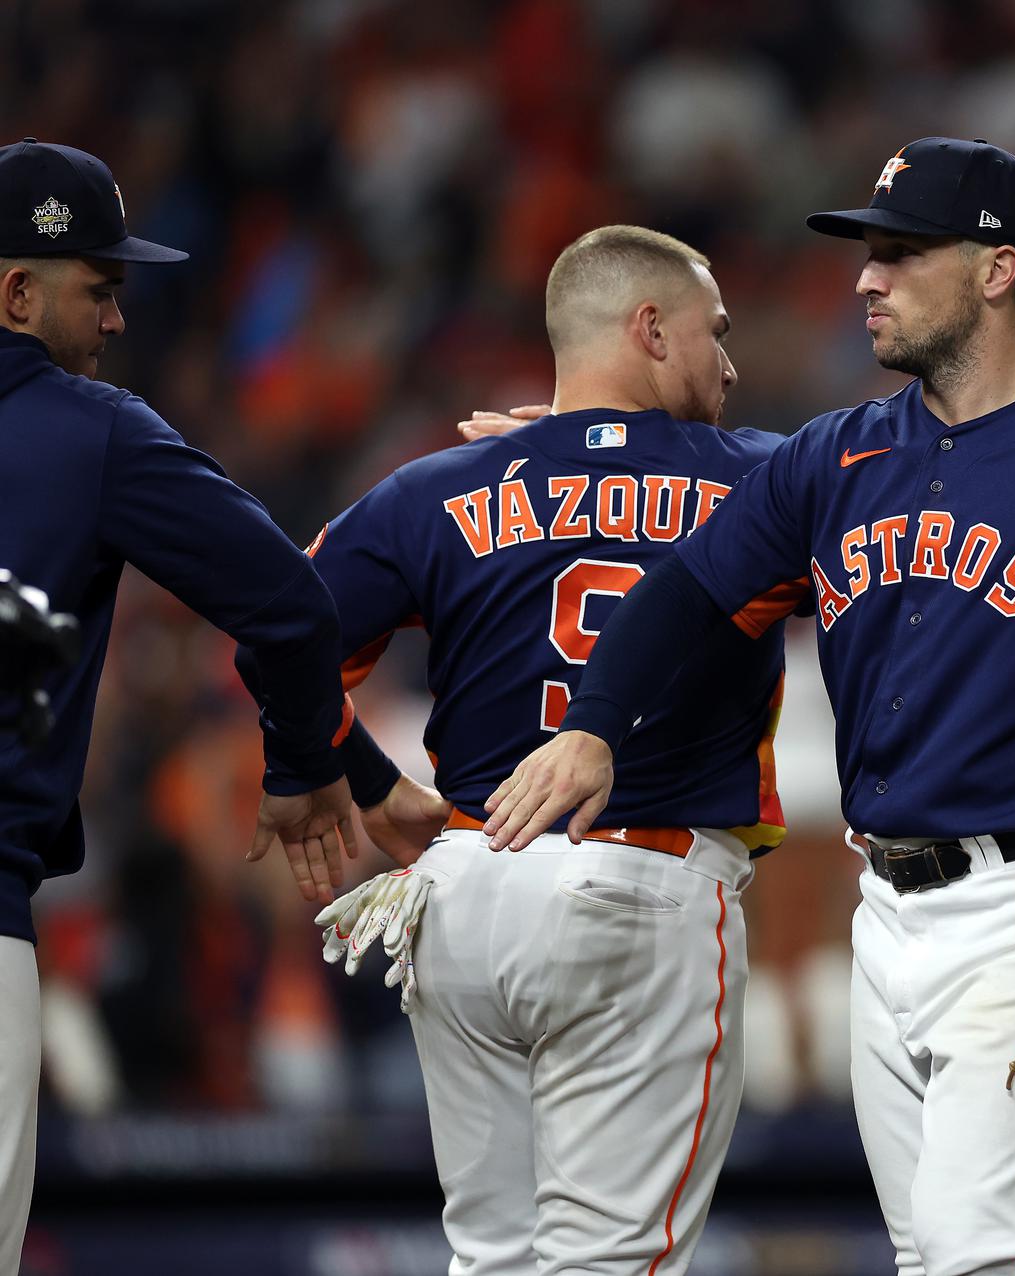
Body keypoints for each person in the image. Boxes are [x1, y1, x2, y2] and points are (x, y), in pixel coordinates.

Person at [483, 137, 1015, 1276]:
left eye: (898, 253)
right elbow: (686, 588)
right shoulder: (836, 454)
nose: (865, 278)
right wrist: (593, 723)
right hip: (883, 915)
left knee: (976, 1250)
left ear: (997, 271)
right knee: (937, 1255)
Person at [245, 225, 794, 1275]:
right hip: (641, 880)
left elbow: (279, 634)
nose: (729, 362)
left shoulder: (437, 484)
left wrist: (359, 782)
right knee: (614, 1260)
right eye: (711, 333)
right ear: (648, 330)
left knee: (493, 1257)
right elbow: (896, 491)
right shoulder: (765, 481)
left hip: (463, 883)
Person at [0, 138, 355, 1276]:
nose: (114, 321)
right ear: (16, 292)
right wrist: (303, 765)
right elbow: (294, 609)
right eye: (97, 289)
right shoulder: (89, 429)